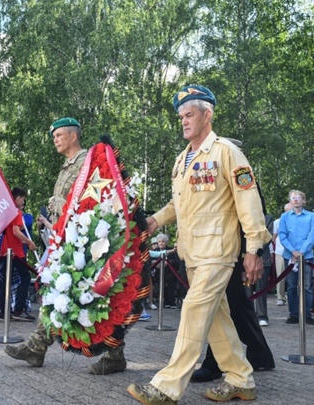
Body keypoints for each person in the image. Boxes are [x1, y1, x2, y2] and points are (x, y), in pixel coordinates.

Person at [128, 85, 271, 404]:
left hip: (218, 252)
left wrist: (254, 248)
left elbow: (248, 201)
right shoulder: (183, 160)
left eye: (189, 114)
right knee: (217, 319)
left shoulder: (226, 152)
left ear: (207, 115)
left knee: (193, 312)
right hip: (192, 253)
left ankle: (166, 386)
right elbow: (179, 203)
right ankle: (240, 377)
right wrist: (154, 221)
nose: (183, 121)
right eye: (180, 116)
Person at [5, 118, 130, 375]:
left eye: (59, 135)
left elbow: (92, 201)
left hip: (84, 243)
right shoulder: (66, 166)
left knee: (99, 298)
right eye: (54, 136)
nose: (55, 139)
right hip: (64, 241)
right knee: (54, 293)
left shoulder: (88, 162)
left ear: (74, 136)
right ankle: (36, 347)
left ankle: (116, 354)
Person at [0, 187, 37, 321]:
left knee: (6, 281)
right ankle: (19, 308)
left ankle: (3, 311)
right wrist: (29, 242)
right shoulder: (16, 212)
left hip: (6, 249)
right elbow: (16, 231)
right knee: (25, 278)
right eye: (23, 199)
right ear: (17, 198)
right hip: (15, 251)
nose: (23, 202)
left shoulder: (7, 211)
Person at [278, 190, 314, 325]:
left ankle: (307, 314)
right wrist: (293, 251)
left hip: (307, 257)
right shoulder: (285, 217)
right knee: (292, 286)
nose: (296, 200)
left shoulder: (311, 217)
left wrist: (302, 251)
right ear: (290, 201)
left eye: (298, 198)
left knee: (307, 286)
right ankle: (293, 314)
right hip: (290, 257)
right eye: (293, 198)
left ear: (303, 201)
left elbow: (312, 235)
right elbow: (282, 235)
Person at [149, 233, 180, 309]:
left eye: (163, 241)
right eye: (159, 242)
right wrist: (154, 262)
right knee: (160, 279)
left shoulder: (171, 250)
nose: (161, 243)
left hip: (170, 271)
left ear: (166, 242)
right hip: (158, 272)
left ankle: (172, 301)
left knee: (170, 278)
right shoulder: (155, 251)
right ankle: (166, 301)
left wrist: (168, 262)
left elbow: (176, 262)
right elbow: (150, 260)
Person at [273, 203, 292, 306]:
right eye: (288, 211)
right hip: (280, 252)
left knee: (294, 276)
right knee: (280, 275)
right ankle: (280, 297)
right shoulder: (277, 222)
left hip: (294, 253)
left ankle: (294, 296)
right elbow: (274, 237)